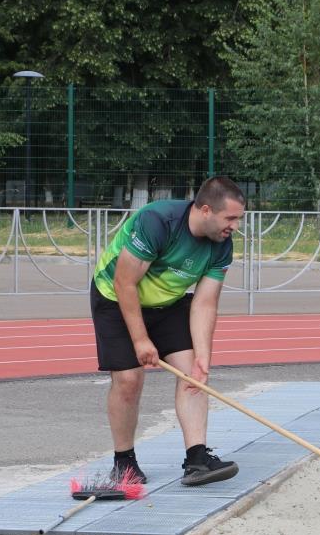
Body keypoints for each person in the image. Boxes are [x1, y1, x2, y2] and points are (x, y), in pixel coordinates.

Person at [89, 176, 246, 486]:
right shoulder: (158, 221)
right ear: (205, 210)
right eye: (230, 218)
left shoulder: (222, 245)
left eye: (238, 219)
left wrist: (203, 357)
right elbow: (125, 282)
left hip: (168, 304)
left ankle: (197, 460)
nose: (235, 227)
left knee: (193, 376)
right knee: (129, 379)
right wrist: (140, 339)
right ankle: (124, 463)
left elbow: (204, 304)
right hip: (116, 297)